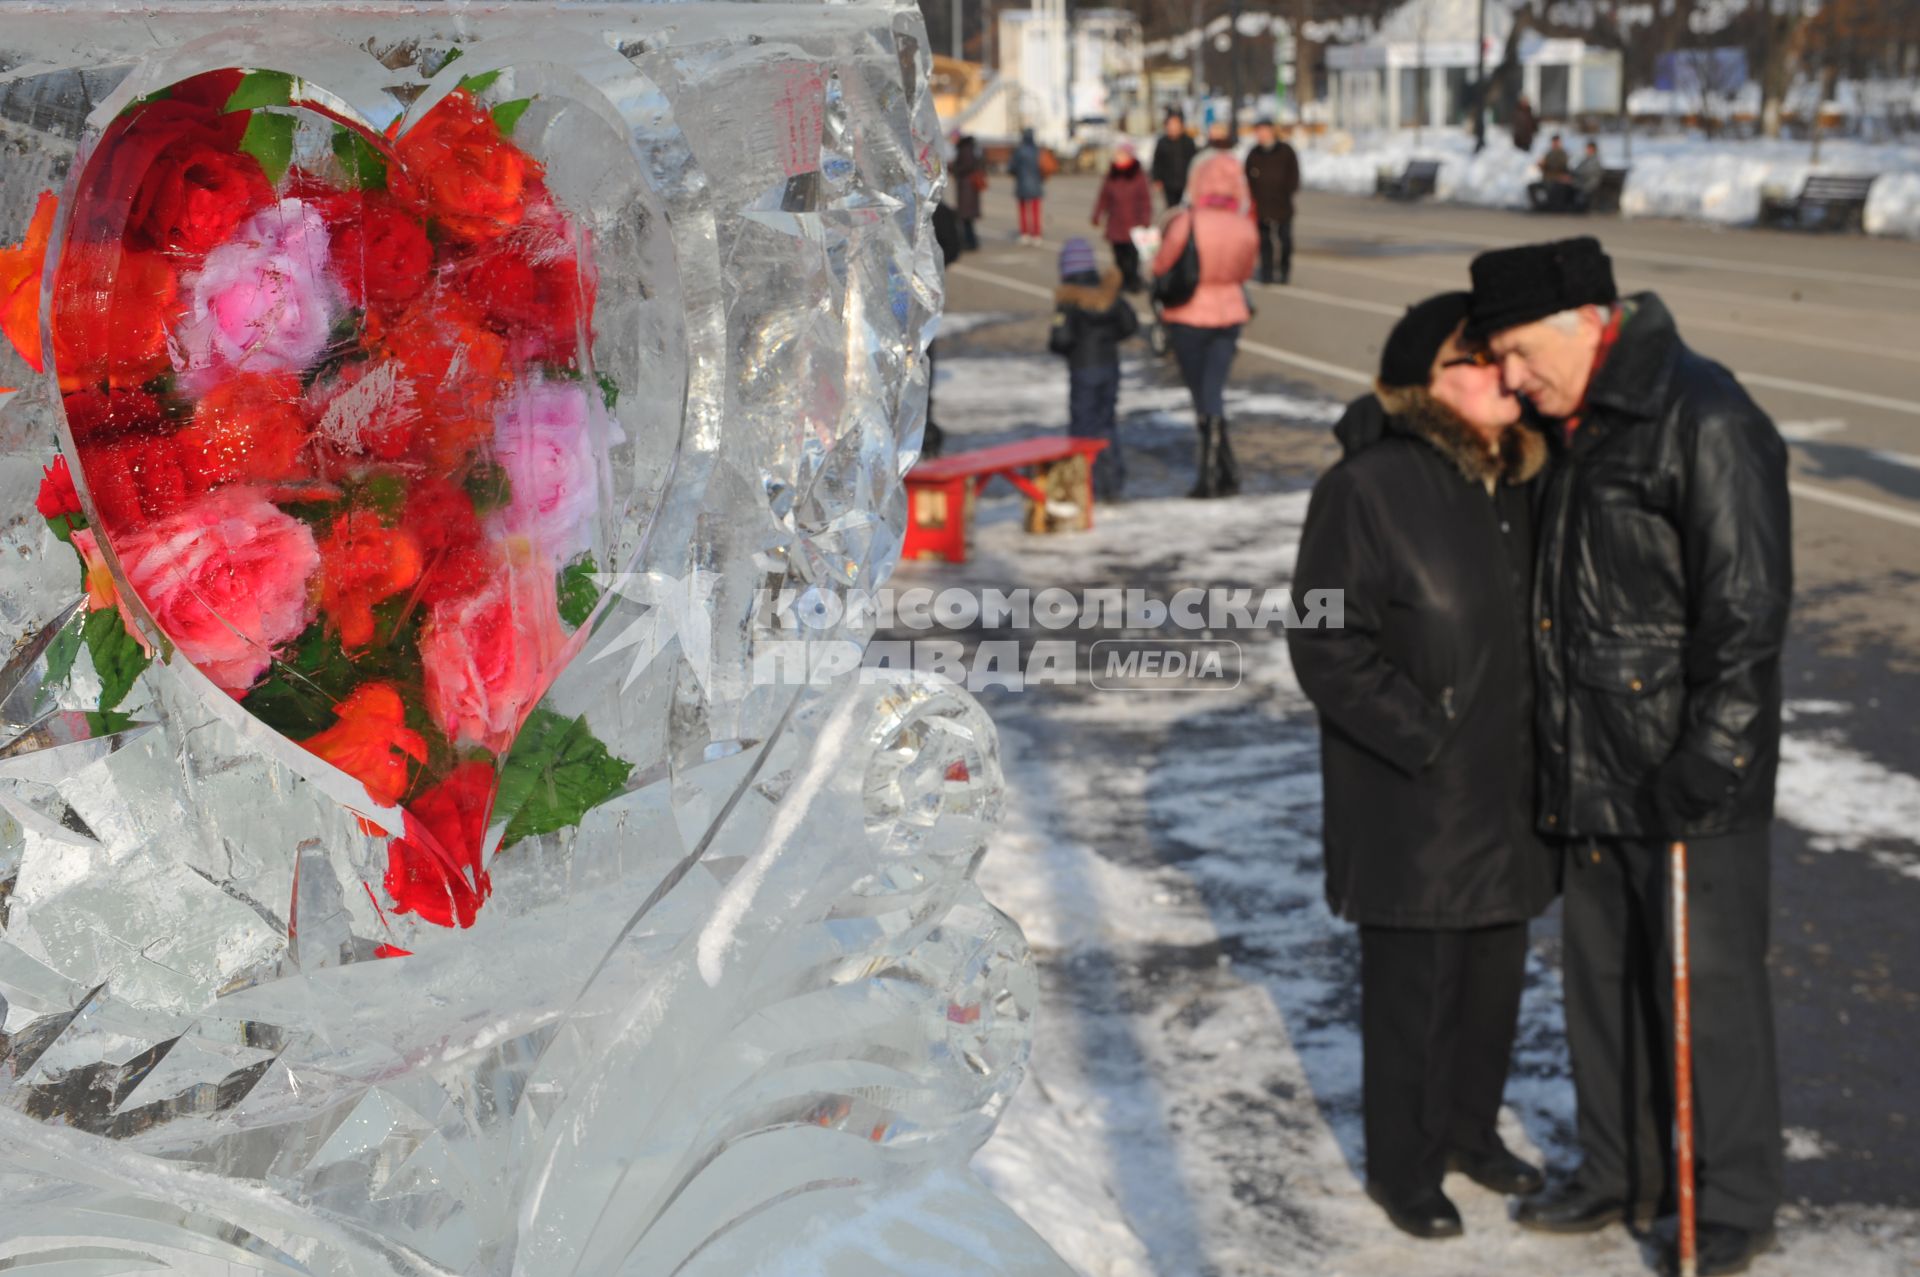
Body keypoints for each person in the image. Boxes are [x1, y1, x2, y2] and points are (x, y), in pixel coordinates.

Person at [1467, 237, 1791, 1277]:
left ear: (1583, 318)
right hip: (1592, 763)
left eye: (1515, 352)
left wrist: (1717, 752)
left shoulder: (1704, 415)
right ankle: (1620, 1168)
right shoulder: (1575, 426)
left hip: (1689, 774)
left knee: (1710, 995)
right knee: (1601, 987)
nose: (1511, 379)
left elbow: (1745, 616)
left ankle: (1730, 1198)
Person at [1289, 291, 1556, 1243]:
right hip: (1415, 801)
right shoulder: (1366, 488)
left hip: (1511, 796)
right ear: (1428, 384)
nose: (1505, 374)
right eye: (1478, 359)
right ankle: (1406, 1168)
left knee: (1492, 986)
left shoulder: (1520, 484)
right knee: (1413, 1000)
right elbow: (1324, 644)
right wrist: (1426, 732)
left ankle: (1471, 1135)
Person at [1149, 150, 1258, 499]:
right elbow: (1244, 273)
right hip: (1230, 314)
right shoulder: (1244, 226)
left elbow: (1162, 264)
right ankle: (1227, 470)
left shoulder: (1187, 221)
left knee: (1203, 393)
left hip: (1191, 315)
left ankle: (1210, 476)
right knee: (1213, 389)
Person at [1048, 237, 1138, 501]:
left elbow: (1060, 340)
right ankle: (1113, 480)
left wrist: (1068, 345)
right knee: (1107, 422)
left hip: (1083, 369)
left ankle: (1084, 482)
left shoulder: (1068, 302)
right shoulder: (1109, 294)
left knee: (1082, 427)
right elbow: (1129, 324)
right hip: (1109, 365)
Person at [923, 201, 963, 460]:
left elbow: (952, 246)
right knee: (923, 370)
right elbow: (954, 247)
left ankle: (924, 436)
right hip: (925, 299)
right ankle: (925, 435)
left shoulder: (933, 209)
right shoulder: (937, 208)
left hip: (915, 302)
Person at [1243, 118, 1300, 285]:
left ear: (1272, 131)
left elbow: (1294, 175)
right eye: (1258, 131)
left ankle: (1284, 270)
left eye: (1264, 130)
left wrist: (1288, 191)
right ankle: (1266, 272)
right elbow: (1247, 177)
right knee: (1264, 242)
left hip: (1282, 204)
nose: (1261, 134)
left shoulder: (1285, 151)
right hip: (1261, 205)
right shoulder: (1254, 154)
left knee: (1285, 240)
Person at [1093, 142, 1154, 293]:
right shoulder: (1112, 175)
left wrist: (1145, 219)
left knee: (1132, 258)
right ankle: (1122, 282)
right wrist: (1097, 214)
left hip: (1134, 224)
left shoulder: (1138, 176)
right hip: (1116, 224)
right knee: (1119, 257)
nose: (1117, 157)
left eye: (1121, 154)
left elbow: (1145, 200)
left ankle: (1133, 282)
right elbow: (1104, 197)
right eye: (1117, 154)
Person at [1151, 110, 1199, 210]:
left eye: (1175, 124)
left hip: (1186, 183)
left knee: (1186, 209)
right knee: (1172, 209)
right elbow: (1157, 162)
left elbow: (1195, 162)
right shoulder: (1162, 142)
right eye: (1170, 124)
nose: (1173, 127)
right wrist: (1156, 179)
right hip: (1169, 183)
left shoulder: (1188, 142)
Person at [1012, 128, 1046, 245]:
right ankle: (1036, 234)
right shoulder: (1037, 150)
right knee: (1036, 210)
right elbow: (1043, 167)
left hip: (1022, 183)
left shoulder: (1019, 151)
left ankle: (1025, 233)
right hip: (1036, 183)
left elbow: (1012, 167)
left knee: (1023, 210)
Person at [950, 132, 984, 251]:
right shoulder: (969, 148)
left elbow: (967, 166)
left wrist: (955, 169)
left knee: (966, 217)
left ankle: (970, 242)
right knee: (966, 218)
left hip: (967, 188)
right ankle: (969, 241)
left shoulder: (965, 149)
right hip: (967, 188)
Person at [1528, 135, 1575, 212]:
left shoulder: (1562, 154)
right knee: (1531, 187)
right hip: (1547, 178)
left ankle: (1550, 206)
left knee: (1552, 189)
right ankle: (1537, 206)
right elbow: (1545, 167)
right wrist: (1541, 165)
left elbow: (1561, 166)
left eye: (1556, 142)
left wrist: (1547, 164)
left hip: (1556, 179)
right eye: (1553, 142)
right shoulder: (1549, 153)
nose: (1555, 144)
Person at [1571, 139, 1605, 210]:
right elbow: (1577, 169)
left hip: (1588, 185)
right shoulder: (1586, 159)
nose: (1586, 150)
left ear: (1593, 149)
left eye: (1588, 148)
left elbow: (1586, 173)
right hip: (1582, 182)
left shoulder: (1595, 161)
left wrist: (1573, 177)